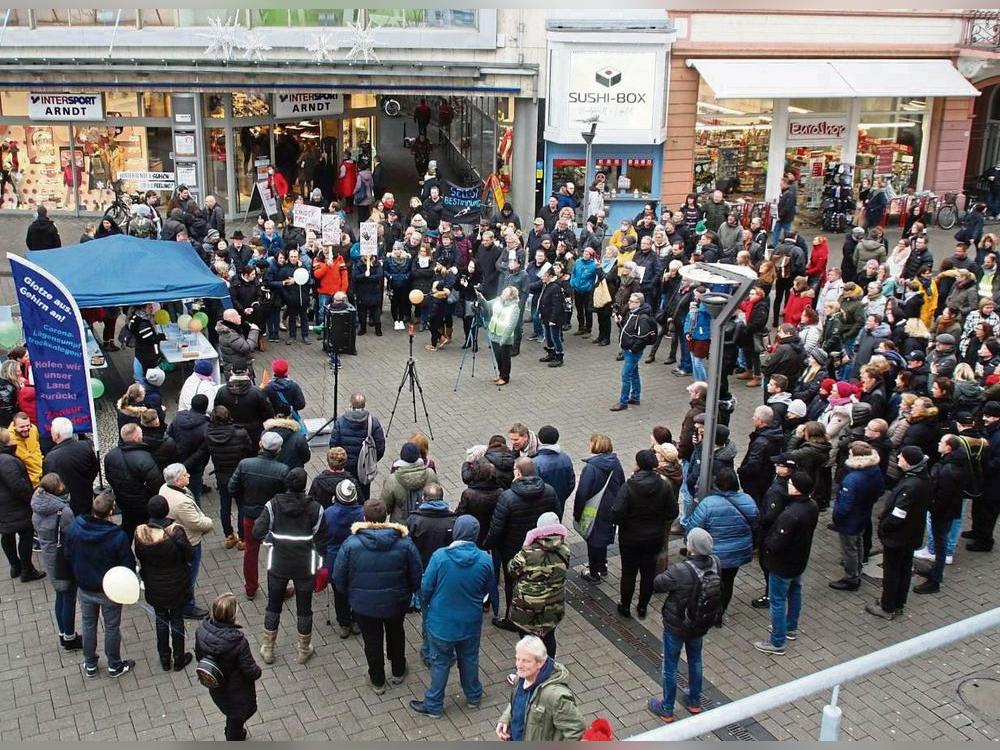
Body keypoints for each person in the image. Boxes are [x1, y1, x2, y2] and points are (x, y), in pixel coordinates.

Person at [410, 514, 498, 718]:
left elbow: (425, 588)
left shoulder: (440, 557)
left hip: (441, 623)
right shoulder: (485, 559)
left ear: (456, 531)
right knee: (469, 658)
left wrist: (428, 606)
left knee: (440, 662)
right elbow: (489, 589)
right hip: (470, 623)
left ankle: (434, 704)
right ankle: (474, 697)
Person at [333, 498, 422, 695]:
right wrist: (408, 592)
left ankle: (377, 680)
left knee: (372, 641)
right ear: (386, 517)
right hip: (396, 602)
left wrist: (351, 595)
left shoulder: (351, 544)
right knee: (396, 633)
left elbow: (339, 577)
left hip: (364, 605)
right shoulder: (404, 543)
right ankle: (398, 670)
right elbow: (416, 573)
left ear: (365, 518)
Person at [253, 468, 326, 666]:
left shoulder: (273, 505)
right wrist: (319, 563)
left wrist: (272, 541)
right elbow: (321, 541)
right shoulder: (316, 508)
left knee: (273, 605)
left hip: (278, 564)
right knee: (305, 609)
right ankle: (304, 650)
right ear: (304, 486)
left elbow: (257, 531)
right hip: (304, 566)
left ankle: (268, 648)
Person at [647, 527, 719, 722]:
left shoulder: (681, 570)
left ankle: (667, 707)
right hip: (699, 623)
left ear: (692, 547)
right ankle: (694, 701)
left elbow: (658, 584)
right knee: (695, 659)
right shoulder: (715, 563)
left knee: (670, 665)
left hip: (677, 625)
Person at [63, 491, 136, 678]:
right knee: (112, 627)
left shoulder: (74, 528)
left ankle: (89, 664)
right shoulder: (117, 536)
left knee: (88, 625)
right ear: (111, 511)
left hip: (85, 587)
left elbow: (68, 554)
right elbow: (127, 566)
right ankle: (114, 665)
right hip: (110, 591)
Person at [484, 457, 559, 627]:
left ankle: (512, 619)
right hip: (541, 547)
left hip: (513, 549)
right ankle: (538, 610)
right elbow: (556, 517)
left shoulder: (507, 497)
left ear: (517, 472)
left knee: (512, 583)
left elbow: (497, 527)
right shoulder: (549, 491)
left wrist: (487, 544)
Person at [754, 472, 819, 655]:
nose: (787, 485)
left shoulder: (791, 515)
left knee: (778, 601)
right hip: (799, 560)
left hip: (782, 564)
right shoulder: (811, 506)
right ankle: (790, 627)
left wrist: (766, 547)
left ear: (797, 488)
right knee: (795, 593)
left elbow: (776, 543)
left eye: (790, 483)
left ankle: (777, 641)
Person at [683, 467, 758, 626]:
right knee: (728, 583)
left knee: (707, 584)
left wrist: (689, 544)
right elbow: (756, 525)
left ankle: (704, 612)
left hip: (713, 555)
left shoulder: (708, 504)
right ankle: (719, 614)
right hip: (737, 553)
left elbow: (693, 528)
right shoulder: (748, 500)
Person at [866, 446, 933, 620]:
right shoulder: (923, 478)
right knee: (904, 570)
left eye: (901, 457)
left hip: (898, 537)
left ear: (909, 462)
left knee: (892, 572)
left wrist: (885, 527)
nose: (898, 458)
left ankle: (887, 607)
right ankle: (898, 603)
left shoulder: (910, 485)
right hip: (912, 535)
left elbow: (898, 514)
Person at [613, 450, 678, 619]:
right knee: (648, 573)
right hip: (654, 537)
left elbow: (617, 512)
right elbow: (673, 511)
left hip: (630, 538)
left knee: (628, 572)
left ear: (638, 465)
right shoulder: (664, 485)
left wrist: (624, 523)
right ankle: (642, 607)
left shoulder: (629, 486)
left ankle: (625, 606)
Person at [133, 495, 195, 672]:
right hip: (177, 584)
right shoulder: (176, 531)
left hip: (154, 584)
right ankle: (179, 657)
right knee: (177, 619)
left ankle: (164, 659)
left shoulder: (140, 532)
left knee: (161, 621)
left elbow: (139, 555)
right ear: (166, 510)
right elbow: (189, 554)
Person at [228, 432, 290, 599]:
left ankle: (250, 588)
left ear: (261, 444)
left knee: (251, 550)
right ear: (278, 450)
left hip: (250, 515)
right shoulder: (283, 470)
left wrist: (245, 502)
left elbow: (232, 488)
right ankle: (278, 589)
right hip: (273, 517)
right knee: (276, 551)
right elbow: (287, 496)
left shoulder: (245, 464)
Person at [195, 593, 262, 741]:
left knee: (231, 715)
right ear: (232, 616)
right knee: (235, 719)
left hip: (216, 686)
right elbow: (250, 670)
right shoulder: (238, 642)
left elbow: (199, 656)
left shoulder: (201, 631)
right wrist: (258, 671)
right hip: (236, 691)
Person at [495, 635, 586, 742]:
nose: (519, 665)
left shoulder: (555, 696)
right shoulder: (521, 678)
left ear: (540, 662)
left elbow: (576, 730)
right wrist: (506, 719)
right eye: (518, 659)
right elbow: (517, 702)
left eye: (526, 661)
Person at [507, 512, 570, 658]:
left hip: (528, 605)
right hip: (553, 604)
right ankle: (549, 668)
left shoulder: (527, 552)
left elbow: (512, 570)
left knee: (527, 642)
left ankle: (529, 673)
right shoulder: (565, 549)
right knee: (549, 637)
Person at [914, 434, 970, 595]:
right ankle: (934, 572)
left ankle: (935, 579)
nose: (938, 443)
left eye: (942, 442)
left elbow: (942, 496)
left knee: (940, 544)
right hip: (947, 510)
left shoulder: (948, 470)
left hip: (942, 513)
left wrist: (932, 508)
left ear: (948, 447)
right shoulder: (955, 462)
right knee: (941, 542)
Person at [159, 463, 214, 618]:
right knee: (190, 574)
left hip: (175, 536)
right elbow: (196, 522)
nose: (188, 475)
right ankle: (188, 607)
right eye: (185, 474)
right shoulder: (181, 502)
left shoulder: (165, 488)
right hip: (190, 541)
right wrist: (209, 522)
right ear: (176, 481)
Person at [32, 473, 79, 648]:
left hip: (49, 555)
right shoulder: (63, 511)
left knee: (60, 595)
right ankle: (69, 637)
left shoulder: (37, 504)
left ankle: (63, 633)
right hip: (63, 559)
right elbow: (72, 535)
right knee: (68, 598)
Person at [829, 443, 884, 592]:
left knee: (849, 548)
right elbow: (880, 491)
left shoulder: (852, 479)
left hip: (850, 519)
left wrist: (837, 517)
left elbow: (844, 507)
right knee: (858, 542)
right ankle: (858, 568)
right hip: (863, 513)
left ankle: (851, 578)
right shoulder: (875, 470)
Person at [575, 434, 626, 583]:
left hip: (594, 510)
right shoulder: (615, 462)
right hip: (611, 508)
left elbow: (582, 493)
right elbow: (622, 483)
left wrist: (577, 514)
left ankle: (593, 572)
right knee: (603, 537)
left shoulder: (591, 468)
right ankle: (602, 565)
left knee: (593, 539)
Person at [201, 405, 252, 550]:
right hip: (239, 474)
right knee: (242, 504)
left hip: (221, 474)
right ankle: (243, 537)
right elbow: (248, 449)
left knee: (225, 505)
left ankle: (229, 536)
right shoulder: (240, 433)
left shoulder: (208, 434)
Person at [104, 423, 162, 540]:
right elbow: (157, 484)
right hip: (142, 504)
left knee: (127, 527)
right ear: (136, 437)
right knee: (146, 532)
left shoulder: (110, 455)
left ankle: (125, 551)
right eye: (140, 434)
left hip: (123, 501)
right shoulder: (145, 458)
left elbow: (109, 477)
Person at [323, 479, 364, 638]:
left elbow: (323, 536)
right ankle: (356, 620)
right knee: (357, 589)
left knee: (339, 592)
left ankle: (344, 623)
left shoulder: (329, 513)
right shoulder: (362, 513)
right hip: (358, 557)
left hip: (335, 558)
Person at [0, 425, 40, 582]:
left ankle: (15, 566)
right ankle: (26, 569)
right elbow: (17, 485)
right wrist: (31, 498)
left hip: (4, 508)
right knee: (25, 534)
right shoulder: (7, 460)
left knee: (7, 535)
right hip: (15, 507)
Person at [329, 392, 386, 501]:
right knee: (363, 496)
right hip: (364, 469)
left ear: (350, 404)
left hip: (344, 467)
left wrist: (340, 461)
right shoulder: (373, 422)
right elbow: (380, 448)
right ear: (365, 405)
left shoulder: (340, 422)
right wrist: (371, 462)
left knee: (345, 493)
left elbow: (333, 445)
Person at [611, 292, 657, 411]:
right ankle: (635, 397)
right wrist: (620, 321)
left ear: (638, 303)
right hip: (628, 349)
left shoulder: (642, 318)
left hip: (632, 352)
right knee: (634, 373)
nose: (629, 303)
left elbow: (643, 337)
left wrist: (633, 349)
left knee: (626, 375)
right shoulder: (632, 314)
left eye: (631, 301)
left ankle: (623, 402)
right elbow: (627, 328)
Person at [380, 442, 439, 524]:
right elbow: (437, 498)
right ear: (418, 456)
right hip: (425, 523)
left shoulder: (392, 480)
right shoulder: (430, 474)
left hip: (401, 526)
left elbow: (384, 508)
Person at [478, 285, 521, 386]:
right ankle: (501, 374)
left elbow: (511, 325)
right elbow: (487, 306)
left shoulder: (514, 308)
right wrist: (481, 298)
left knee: (505, 358)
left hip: (504, 337)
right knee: (498, 356)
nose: (503, 293)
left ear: (511, 296)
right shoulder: (498, 300)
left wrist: (504, 339)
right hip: (493, 333)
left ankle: (505, 377)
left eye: (505, 292)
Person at [532, 426, 576, 520]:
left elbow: (533, 487)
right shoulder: (566, 458)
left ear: (539, 440)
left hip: (540, 507)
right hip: (559, 503)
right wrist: (562, 497)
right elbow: (571, 482)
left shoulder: (536, 463)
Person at [9, 412, 41, 488]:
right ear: (14, 427)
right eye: (22, 427)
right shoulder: (9, 440)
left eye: (27, 425)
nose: (26, 429)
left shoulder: (33, 429)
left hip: (40, 476)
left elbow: (37, 447)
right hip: (27, 482)